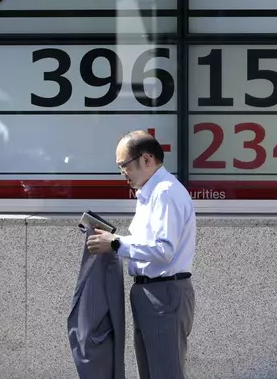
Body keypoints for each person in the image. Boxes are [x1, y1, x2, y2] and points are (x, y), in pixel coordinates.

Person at [86, 130, 196, 379]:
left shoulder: (165, 192)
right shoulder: (150, 194)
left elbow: (163, 249)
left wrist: (115, 244)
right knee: (152, 372)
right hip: (151, 293)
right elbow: (147, 242)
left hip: (164, 292)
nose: (123, 172)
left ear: (146, 159)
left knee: (165, 372)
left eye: (124, 165)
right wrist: (114, 239)